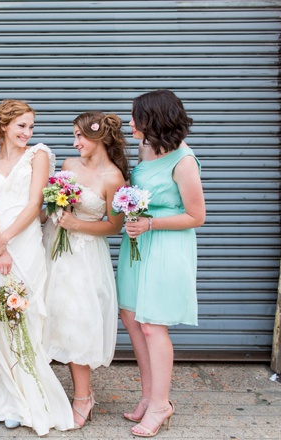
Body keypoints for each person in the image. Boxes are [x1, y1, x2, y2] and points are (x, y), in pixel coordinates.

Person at [0, 99, 74, 436]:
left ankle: (23, 401)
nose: (27, 133)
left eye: (30, 127)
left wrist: (6, 241)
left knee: (24, 318)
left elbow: (34, 203)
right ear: (3, 125)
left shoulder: (39, 155)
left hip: (25, 243)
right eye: (21, 126)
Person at [116, 90, 206, 437]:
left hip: (167, 246)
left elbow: (196, 215)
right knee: (132, 319)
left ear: (152, 119)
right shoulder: (147, 149)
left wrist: (151, 222)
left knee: (153, 325)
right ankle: (147, 396)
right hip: (137, 245)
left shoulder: (184, 161)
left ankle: (160, 405)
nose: (130, 123)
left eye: (134, 117)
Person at [41, 112, 128, 428]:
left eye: (80, 136)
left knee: (78, 321)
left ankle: (83, 397)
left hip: (86, 257)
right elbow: (53, 205)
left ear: (98, 138)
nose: (75, 142)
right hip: (55, 248)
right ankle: (46, 392)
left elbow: (114, 227)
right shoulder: (68, 165)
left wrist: (77, 223)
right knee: (52, 318)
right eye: (74, 136)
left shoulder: (114, 178)